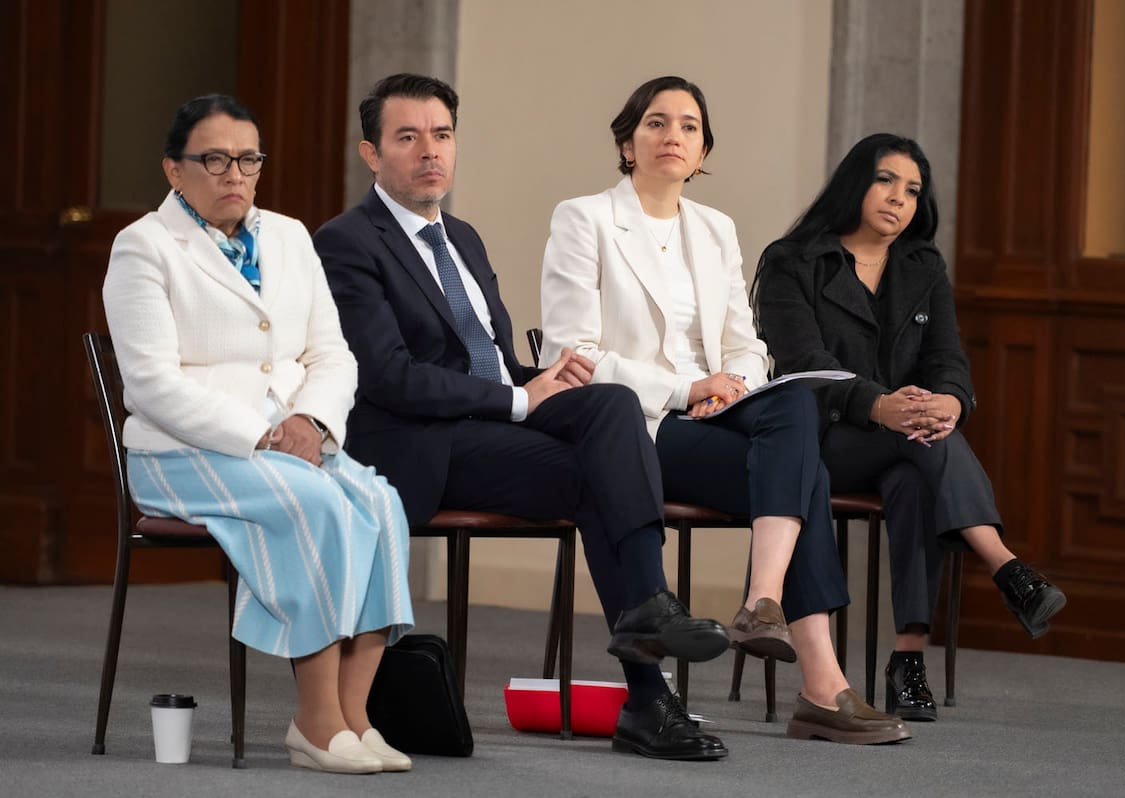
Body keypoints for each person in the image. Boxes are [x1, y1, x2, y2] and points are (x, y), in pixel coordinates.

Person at [312, 73, 731, 762]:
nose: (430, 152)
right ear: (370, 152)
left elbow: (487, 357)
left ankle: (648, 625)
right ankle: (649, 687)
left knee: (611, 403)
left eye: (442, 135)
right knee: (599, 473)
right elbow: (391, 377)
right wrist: (516, 399)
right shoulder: (347, 242)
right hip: (422, 446)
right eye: (408, 137)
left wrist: (534, 379)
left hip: (489, 425)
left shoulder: (465, 240)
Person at [539, 76, 910, 746]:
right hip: (640, 425)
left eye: (688, 125)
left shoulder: (715, 229)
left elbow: (747, 344)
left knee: (792, 401)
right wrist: (686, 390)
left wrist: (732, 385)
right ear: (628, 141)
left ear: (704, 146)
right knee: (809, 476)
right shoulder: (584, 217)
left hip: (716, 411)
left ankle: (762, 600)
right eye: (656, 123)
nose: (672, 136)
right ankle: (821, 686)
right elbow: (575, 355)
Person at [102, 95, 416, 774]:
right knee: (321, 505)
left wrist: (310, 420)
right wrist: (265, 433)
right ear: (174, 170)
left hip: (294, 440)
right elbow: (152, 385)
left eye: (247, 159)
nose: (234, 174)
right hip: (182, 451)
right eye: (214, 159)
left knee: (383, 505)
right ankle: (314, 721)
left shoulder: (289, 235)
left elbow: (332, 354)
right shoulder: (143, 247)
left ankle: (356, 718)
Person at [753, 132, 1067, 721]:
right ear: (855, 183)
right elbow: (803, 368)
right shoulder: (793, 262)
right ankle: (1005, 566)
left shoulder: (922, 266)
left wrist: (949, 400)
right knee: (915, 439)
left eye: (913, 190)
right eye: (886, 180)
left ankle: (909, 658)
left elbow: (947, 357)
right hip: (819, 441)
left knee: (915, 473)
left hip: (905, 440)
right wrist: (880, 406)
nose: (900, 198)